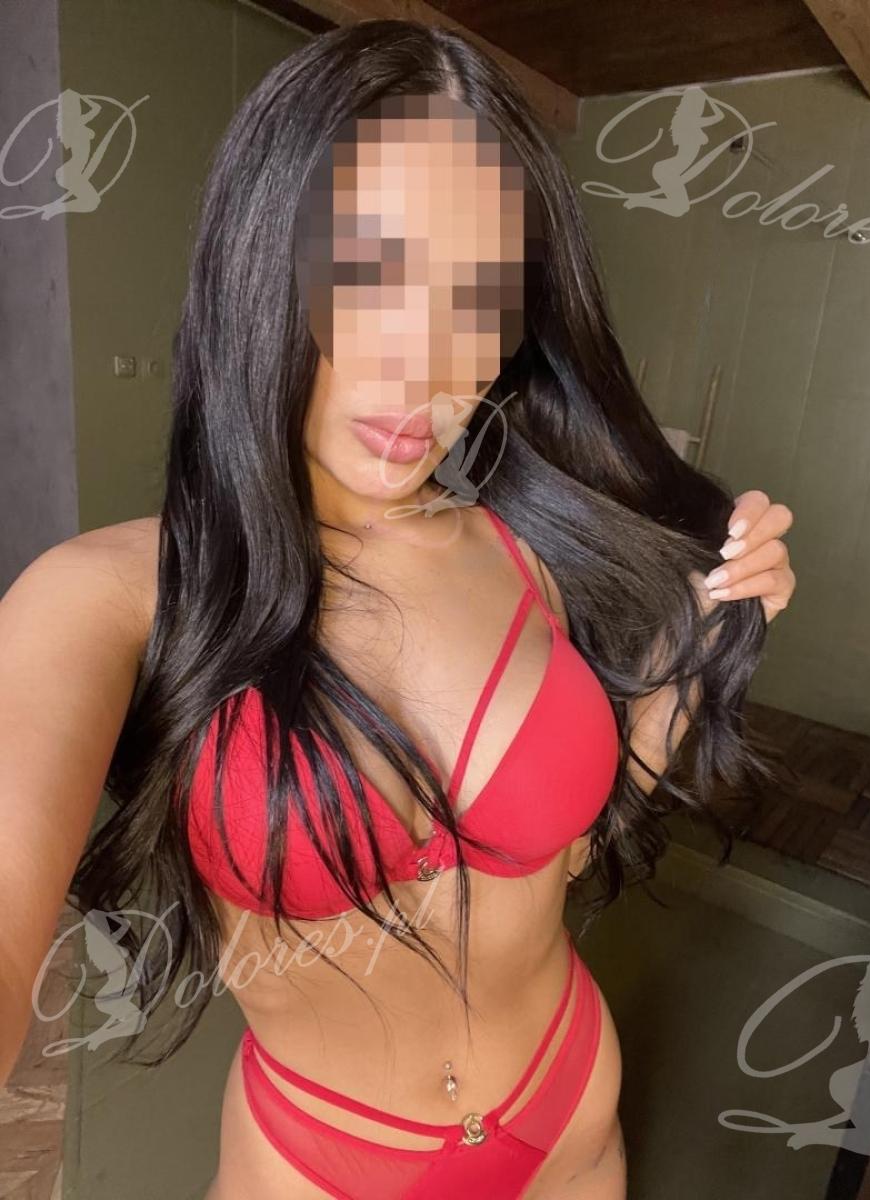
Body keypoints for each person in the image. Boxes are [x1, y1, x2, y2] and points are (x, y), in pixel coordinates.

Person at [0, 18, 795, 1200]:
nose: (425, 361)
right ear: (263, 262)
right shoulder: (109, 598)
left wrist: (706, 633)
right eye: (370, 269)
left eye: (479, 294)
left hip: (571, 1117)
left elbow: (578, 842)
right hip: (317, 1162)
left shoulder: (534, 554)